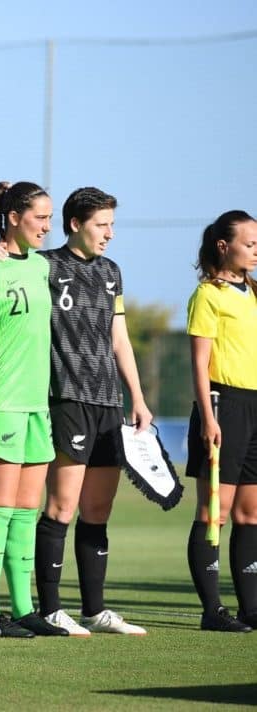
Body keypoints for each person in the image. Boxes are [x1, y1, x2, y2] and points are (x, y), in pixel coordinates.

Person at [33, 187, 151, 636]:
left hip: (108, 403)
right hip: (66, 399)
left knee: (98, 508)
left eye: (112, 225)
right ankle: (49, 608)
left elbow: (119, 338)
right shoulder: (45, 266)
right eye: (102, 225)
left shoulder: (111, 272)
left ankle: (95, 609)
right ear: (75, 225)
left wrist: (136, 398)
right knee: (61, 506)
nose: (109, 234)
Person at [0, 181, 67, 638]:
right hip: (1, 401)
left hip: (36, 403)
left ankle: (26, 608)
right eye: (39, 218)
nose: (47, 227)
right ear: (13, 218)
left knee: (29, 511)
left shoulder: (44, 266)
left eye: (49, 218)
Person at [185, 209, 257, 633]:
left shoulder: (254, 292)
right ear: (223, 246)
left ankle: (251, 607)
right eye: (249, 243)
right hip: (223, 403)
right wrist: (208, 418)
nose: (255, 251)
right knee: (216, 511)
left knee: (251, 513)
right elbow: (199, 364)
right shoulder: (207, 295)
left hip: (255, 405)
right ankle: (212, 610)